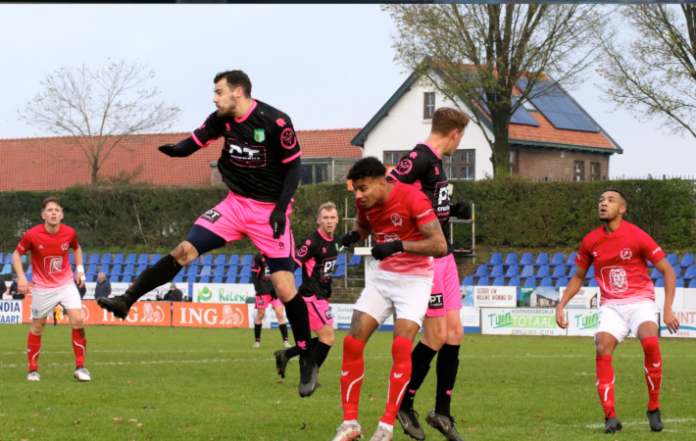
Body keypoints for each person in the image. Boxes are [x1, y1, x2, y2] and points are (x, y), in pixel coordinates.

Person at [96, 70, 319, 396]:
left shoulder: (276, 122)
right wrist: (176, 150)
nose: (214, 98)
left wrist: (280, 209)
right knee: (183, 251)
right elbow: (194, 142)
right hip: (233, 205)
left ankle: (306, 359)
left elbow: (294, 167)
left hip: (268, 211)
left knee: (285, 288)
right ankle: (126, 300)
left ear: (238, 92)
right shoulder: (221, 119)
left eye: (219, 92)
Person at [332, 157, 448, 441]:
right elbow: (364, 226)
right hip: (384, 277)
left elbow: (440, 245)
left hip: (416, 280)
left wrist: (397, 245)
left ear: (382, 183)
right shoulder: (364, 203)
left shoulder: (413, 198)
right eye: (355, 190)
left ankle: (385, 427)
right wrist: (352, 236)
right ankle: (350, 425)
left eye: (362, 189)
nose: (358, 195)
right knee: (351, 341)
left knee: (400, 346)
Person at [555, 190, 680, 434]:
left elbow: (669, 271)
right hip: (611, 306)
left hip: (640, 302)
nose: (603, 204)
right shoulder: (591, 240)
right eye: (601, 200)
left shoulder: (637, 236)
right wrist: (561, 305)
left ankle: (653, 407)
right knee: (602, 348)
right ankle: (610, 416)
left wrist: (667, 308)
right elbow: (579, 276)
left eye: (610, 201)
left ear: (622, 209)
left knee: (651, 344)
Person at [387, 107, 471, 441]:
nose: (459, 143)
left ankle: (442, 413)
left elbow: (426, 204)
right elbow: (389, 194)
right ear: (454, 133)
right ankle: (404, 405)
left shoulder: (435, 163)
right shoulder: (419, 158)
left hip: (446, 258)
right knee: (435, 335)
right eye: (461, 137)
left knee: (455, 334)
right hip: (429, 260)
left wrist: (452, 209)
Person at [12, 197, 90, 382]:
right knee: (38, 327)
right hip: (43, 288)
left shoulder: (69, 232)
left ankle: (80, 367)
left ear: (61, 215)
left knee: (78, 320)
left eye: (57, 210)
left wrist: (80, 271)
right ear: (43, 215)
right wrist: (22, 277)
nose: (53, 212)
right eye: (49, 210)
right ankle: (32, 370)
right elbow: (17, 255)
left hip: (66, 284)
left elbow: (76, 248)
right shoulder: (32, 234)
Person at [274, 202, 340, 380]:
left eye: (332, 217)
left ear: (337, 220)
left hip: (322, 296)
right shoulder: (312, 242)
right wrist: (281, 282)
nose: (329, 221)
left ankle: (286, 355)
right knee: (328, 339)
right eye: (325, 218)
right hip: (311, 296)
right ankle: (309, 378)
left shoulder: (335, 240)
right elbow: (295, 263)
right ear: (318, 220)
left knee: (323, 339)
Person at [251, 253, 291, 348]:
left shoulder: (277, 256)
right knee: (260, 315)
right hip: (263, 291)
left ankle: (286, 341)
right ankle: (257, 341)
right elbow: (254, 273)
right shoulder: (258, 256)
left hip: (275, 292)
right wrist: (257, 289)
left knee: (280, 314)